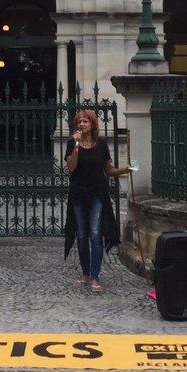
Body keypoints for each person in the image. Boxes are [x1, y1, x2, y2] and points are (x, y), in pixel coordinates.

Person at [64, 108, 130, 294]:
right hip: (78, 194)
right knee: (82, 235)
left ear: (93, 124)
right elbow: (71, 167)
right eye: (79, 121)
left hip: (97, 194)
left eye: (86, 121)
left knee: (95, 233)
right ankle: (85, 273)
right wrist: (76, 144)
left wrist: (124, 170)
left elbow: (108, 170)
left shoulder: (100, 144)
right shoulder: (72, 143)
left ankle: (95, 276)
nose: (82, 124)